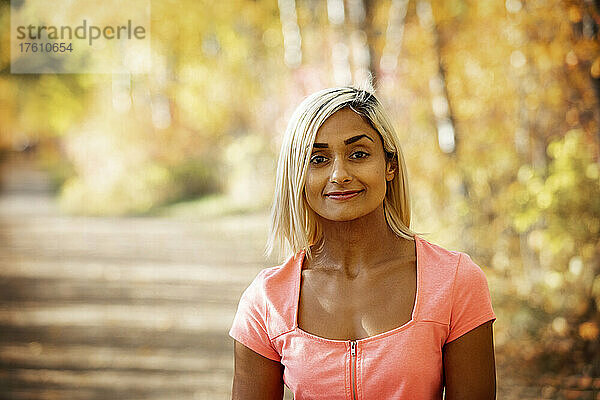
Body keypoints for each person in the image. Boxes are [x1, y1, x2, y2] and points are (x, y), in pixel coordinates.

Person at [229, 86, 496, 399]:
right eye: (317, 159)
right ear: (297, 175)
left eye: (358, 154)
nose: (339, 174)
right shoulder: (266, 300)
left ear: (389, 165)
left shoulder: (455, 280)